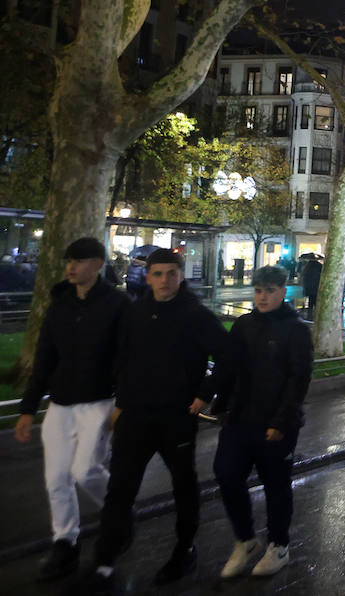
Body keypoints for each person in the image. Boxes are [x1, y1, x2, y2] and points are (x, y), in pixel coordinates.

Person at [86, 248, 231, 591]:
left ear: (181, 276)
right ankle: (104, 563)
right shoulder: (135, 313)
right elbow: (124, 361)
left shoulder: (196, 315)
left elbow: (228, 356)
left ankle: (185, 550)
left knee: (183, 486)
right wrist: (120, 403)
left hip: (176, 417)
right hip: (135, 416)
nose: (165, 280)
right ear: (148, 277)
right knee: (119, 489)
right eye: (158, 274)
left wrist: (205, 393)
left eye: (171, 273)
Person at [15, 238, 127, 581]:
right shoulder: (60, 305)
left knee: (86, 470)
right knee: (56, 479)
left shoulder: (117, 304)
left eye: (78, 261)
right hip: (61, 404)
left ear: (97, 264)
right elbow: (45, 357)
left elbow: (128, 357)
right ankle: (65, 542)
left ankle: (119, 516)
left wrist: (123, 403)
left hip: (99, 401)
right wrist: (28, 408)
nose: (70, 267)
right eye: (68, 261)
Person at [209, 265, 313, 577]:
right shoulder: (243, 325)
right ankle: (245, 539)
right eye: (258, 290)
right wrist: (215, 402)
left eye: (269, 290)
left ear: (283, 291)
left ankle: (278, 545)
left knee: (276, 485)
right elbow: (228, 367)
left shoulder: (295, 330)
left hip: (276, 423)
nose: (263, 297)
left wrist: (281, 421)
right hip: (240, 419)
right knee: (226, 474)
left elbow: (298, 379)